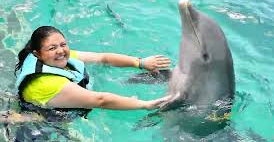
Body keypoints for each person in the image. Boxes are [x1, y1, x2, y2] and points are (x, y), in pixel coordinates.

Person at [15, 26, 171, 112]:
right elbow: (100, 100)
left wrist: (140, 63)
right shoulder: (47, 83)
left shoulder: (60, 57)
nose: (60, 51)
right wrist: (144, 104)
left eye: (63, 45)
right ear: (38, 54)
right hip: (41, 123)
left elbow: (103, 58)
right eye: (52, 48)